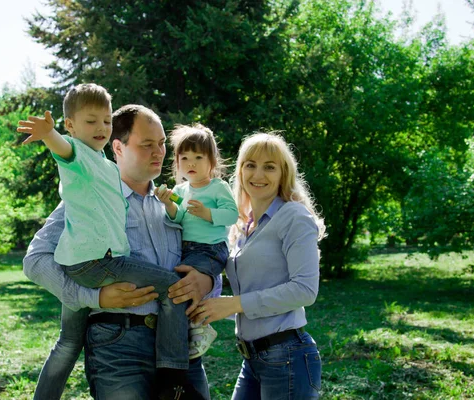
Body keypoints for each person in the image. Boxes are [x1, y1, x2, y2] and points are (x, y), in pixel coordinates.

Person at [23, 103, 221, 399]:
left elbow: (209, 253)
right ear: (118, 146)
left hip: (182, 351)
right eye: (147, 145)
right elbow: (35, 261)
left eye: (162, 143)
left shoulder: (178, 203)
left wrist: (206, 279)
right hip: (118, 348)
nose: (159, 152)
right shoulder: (89, 198)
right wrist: (94, 297)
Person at [190, 132, 325, 399]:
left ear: (283, 174)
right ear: (240, 171)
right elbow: (256, 293)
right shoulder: (243, 227)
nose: (258, 174)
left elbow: (304, 291)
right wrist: (212, 308)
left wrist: (235, 304)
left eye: (269, 167)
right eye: (250, 165)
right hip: (252, 359)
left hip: (287, 357)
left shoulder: (294, 217)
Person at [155, 124, 238, 358]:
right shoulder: (180, 190)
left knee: (188, 286)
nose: (191, 163)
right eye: (185, 158)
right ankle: (192, 326)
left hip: (211, 249)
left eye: (198, 157)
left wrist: (208, 214)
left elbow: (232, 215)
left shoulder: (217, 187)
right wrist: (169, 203)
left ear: (211, 161)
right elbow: (178, 216)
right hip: (187, 249)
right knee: (180, 286)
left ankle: (200, 327)